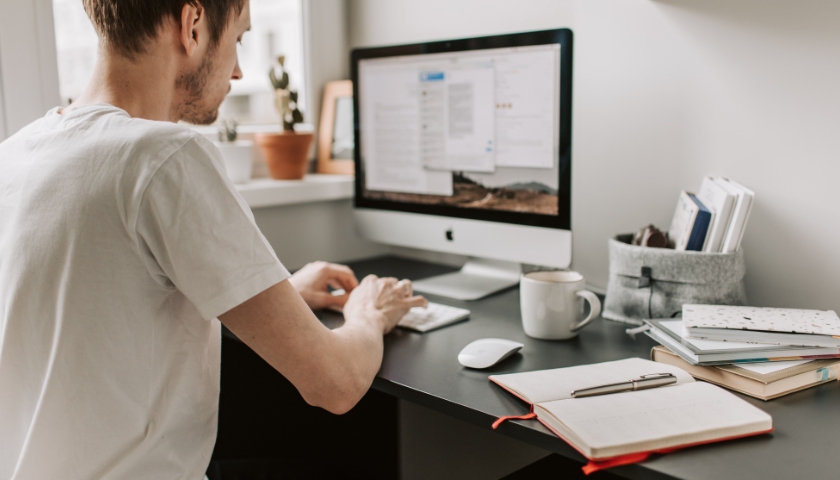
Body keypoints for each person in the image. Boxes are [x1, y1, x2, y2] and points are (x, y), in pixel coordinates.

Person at [0, 0, 427, 478]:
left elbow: (101, 308)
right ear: (193, 25)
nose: (240, 71)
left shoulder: (15, 156)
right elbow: (337, 384)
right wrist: (367, 312)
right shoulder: (165, 157)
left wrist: (278, 292)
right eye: (239, 39)